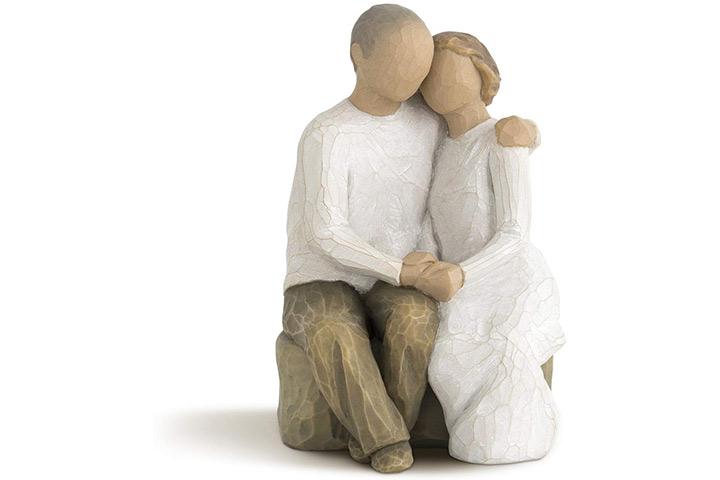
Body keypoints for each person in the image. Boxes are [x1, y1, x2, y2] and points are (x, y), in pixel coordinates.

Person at [279, 5, 463, 473]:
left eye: (420, 61)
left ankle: (380, 429)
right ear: (358, 56)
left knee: (416, 320)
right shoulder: (328, 133)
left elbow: (456, 169)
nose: (412, 73)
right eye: (399, 59)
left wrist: (513, 137)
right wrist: (400, 270)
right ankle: (386, 442)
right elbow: (326, 232)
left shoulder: (427, 123)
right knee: (332, 329)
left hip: (401, 273)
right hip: (322, 277)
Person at [415, 31, 566, 464]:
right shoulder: (438, 148)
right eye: (432, 75)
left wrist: (463, 273)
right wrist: (427, 258)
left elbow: (515, 231)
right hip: (457, 284)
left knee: (500, 349)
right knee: (447, 357)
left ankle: (514, 435)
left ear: (484, 74)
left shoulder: (503, 136)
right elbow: (430, 220)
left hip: (508, 277)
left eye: (453, 70)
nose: (441, 82)